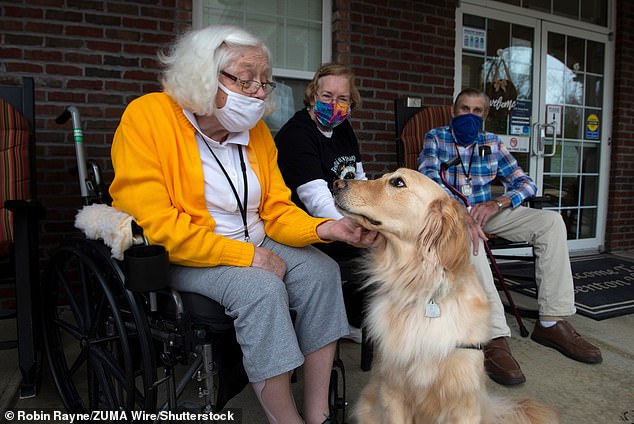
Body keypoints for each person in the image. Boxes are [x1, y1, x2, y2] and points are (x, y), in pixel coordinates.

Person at [109, 25, 379, 424]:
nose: (259, 92)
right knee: (262, 287)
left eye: (263, 82)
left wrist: (325, 229)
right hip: (188, 253)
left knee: (322, 274)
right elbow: (157, 224)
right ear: (203, 74)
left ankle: (318, 413)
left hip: (257, 239)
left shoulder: (256, 134)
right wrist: (247, 256)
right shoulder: (148, 117)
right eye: (246, 79)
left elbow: (277, 210)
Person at [418, 88, 602, 386]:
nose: (470, 115)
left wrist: (498, 203)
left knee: (551, 222)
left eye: (477, 111)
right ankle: (494, 337)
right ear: (454, 111)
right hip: (452, 216)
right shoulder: (436, 137)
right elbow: (428, 180)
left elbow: (526, 183)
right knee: (471, 238)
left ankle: (552, 321)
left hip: (490, 212)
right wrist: (462, 214)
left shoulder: (492, 142)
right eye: (464, 109)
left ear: (485, 115)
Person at [274, 63, 370, 342]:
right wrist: (357, 228)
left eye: (342, 98)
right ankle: (342, 323)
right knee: (377, 252)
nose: (334, 104)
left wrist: (373, 216)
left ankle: (353, 319)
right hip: (309, 230)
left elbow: (359, 178)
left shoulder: (343, 129)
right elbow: (317, 201)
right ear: (313, 95)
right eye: (326, 96)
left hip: (341, 221)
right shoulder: (297, 134)